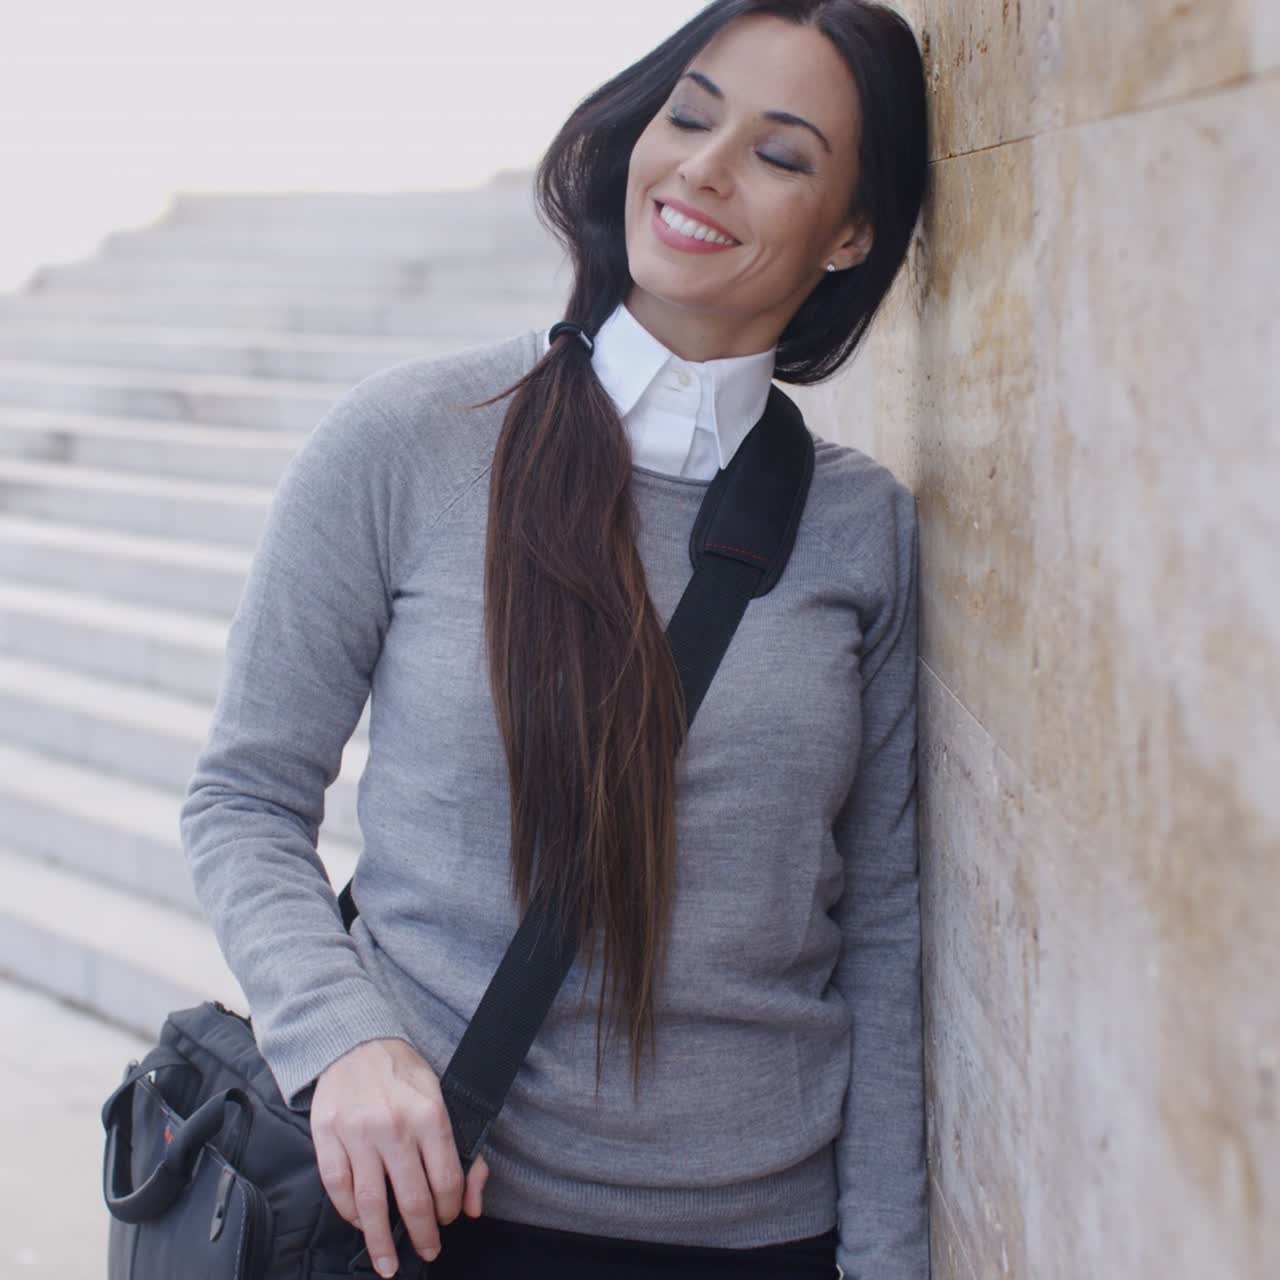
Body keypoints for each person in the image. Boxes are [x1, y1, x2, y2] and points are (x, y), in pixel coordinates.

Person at [179, 2, 930, 1277]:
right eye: (689, 114)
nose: (702, 164)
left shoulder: (862, 528)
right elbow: (243, 797)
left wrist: (887, 1256)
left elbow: (884, 926)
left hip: (759, 1236)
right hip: (428, 1213)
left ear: (852, 231)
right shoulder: (409, 439)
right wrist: (341, 1040)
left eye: (780, 153)